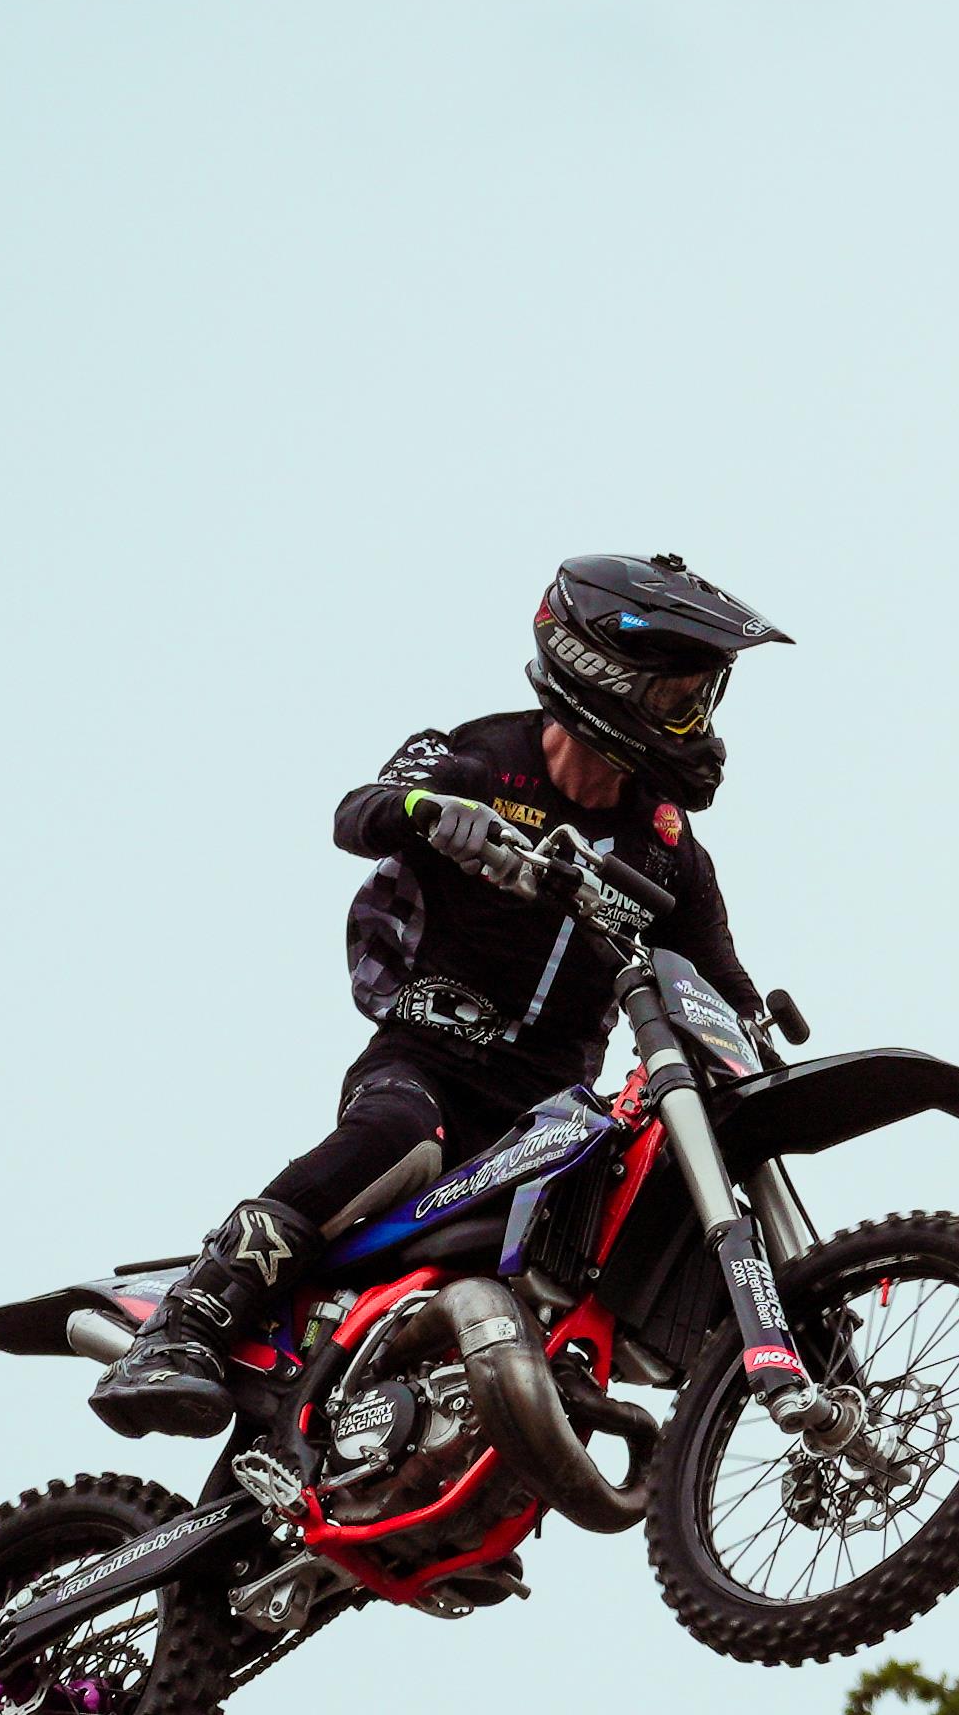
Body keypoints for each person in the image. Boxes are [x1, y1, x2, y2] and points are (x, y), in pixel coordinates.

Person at [91, 553, 791, 1445]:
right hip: (427, 1061)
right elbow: (360, 810)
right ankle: (185, 1325)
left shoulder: (668, 848)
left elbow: (716, 969)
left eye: (701, 699)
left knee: (616, 1232)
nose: (694, 723)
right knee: (399, 1136)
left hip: (549, 1112)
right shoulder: (485, 754)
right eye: (676, 698)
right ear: (602, 675)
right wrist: (429, 811)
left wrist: (755, 1034)